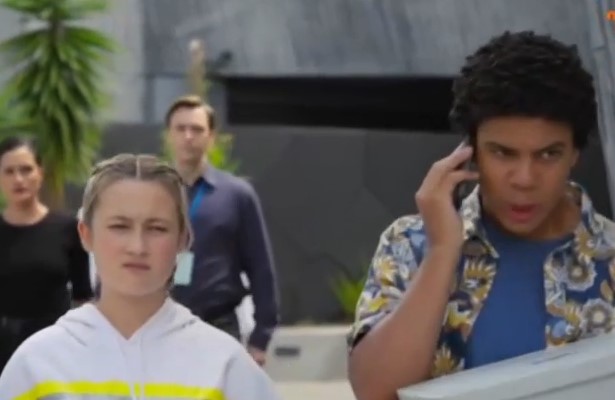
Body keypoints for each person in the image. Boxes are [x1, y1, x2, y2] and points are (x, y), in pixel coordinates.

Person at [347, 30, 615, 400]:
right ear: (469, 152)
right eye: (503, 153)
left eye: (548, 154)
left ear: (575, 154)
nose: (524, 179)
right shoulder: (410, 244)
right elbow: (374, 392)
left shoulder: (609, 256)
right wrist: (443, 251)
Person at [0, 154, 281, 399]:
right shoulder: (37, 364)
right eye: (119, 226)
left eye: (157, 228)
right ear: (86, 235)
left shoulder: (225, 365)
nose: (137, 247)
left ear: (183, 239)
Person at [165, 95, 279, 365]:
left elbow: (260, 267)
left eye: (197, 129)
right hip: (160, 326)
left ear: (211, 137)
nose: (188, 136)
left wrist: (261, 336)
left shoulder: (236, 195)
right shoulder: (152, 193)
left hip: (218, 326)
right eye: (181, 129)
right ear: (169, 135)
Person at [0, 136, 92, 375]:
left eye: (26, 169)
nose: (18, 179)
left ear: (40, 173)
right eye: (9, 171)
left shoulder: (67, 228)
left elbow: (83, 297)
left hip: (53, 350)